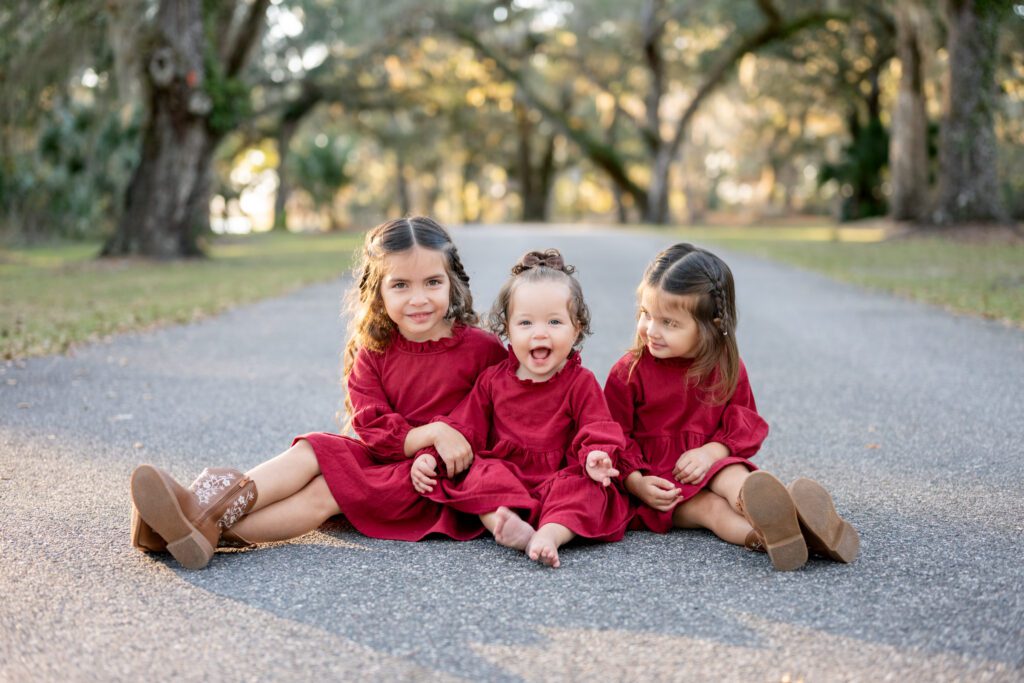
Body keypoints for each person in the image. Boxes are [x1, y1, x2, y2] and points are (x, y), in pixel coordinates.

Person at [128, 216, 533, 570]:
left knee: (326, 491)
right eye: (401, 285)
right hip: (387, 457)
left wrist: (439, 443)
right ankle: (199, 520)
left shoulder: (482, 350)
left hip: (430, 481)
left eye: (432, 282)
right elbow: (372, 429)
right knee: (313, 448)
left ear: (453, 283)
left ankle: (191, 529)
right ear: (378, 292)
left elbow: (498, 421)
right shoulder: (375, 351)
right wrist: (427, 433)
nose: (418, 298)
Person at [604, 243, 859, 571]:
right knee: (710, 511)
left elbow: (743, 423)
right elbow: (613, 436)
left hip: (709, 463)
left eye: (669, 323)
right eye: (646, 314)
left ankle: (792, 517)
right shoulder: (629, 371)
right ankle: (774, 540)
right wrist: (636, 483)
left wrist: (712, 452)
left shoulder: (724, 366)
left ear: (712, 324)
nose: (652, 330)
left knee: (734, 477)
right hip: (658, 483)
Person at [411, 249, 631, 568]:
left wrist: (596, 454)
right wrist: (430, 456)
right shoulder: (492, 381)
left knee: (590, 488)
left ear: (577, 328)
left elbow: (596, 427)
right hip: (507, 475)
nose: (539, 333)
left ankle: (550, 535)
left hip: (560, 475)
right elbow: (463, 429)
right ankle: (512, 528)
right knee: (476, 476)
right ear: (507, 329)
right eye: (525, 322)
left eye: (554, 322)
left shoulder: (580, 381)